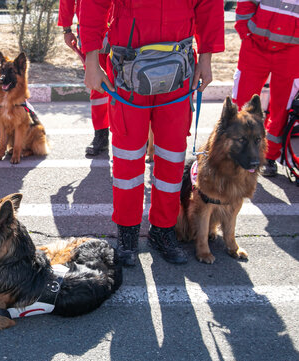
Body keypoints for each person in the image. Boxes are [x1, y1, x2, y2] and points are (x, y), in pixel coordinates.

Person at [80, 0, 224, 265]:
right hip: (127, 71)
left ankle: (163, 230)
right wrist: (91, 59)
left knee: (171, 157)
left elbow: (209, 5)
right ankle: (127, 233)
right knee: (127, 156)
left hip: (177, 72)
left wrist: (206, 58)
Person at [232, 0, 299, 177]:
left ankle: (269, 156)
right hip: (254, 46)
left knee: (282, 108)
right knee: (242, 102)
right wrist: (244, 31)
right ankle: (236, 153)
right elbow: (246, 2)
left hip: (292, 51)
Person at [58, 0, 110, 156]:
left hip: (125, 25)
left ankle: (142, 138)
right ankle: (101, 135)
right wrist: (66, 29)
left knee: (131, 84)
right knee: (98, 87)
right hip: (92, 28)